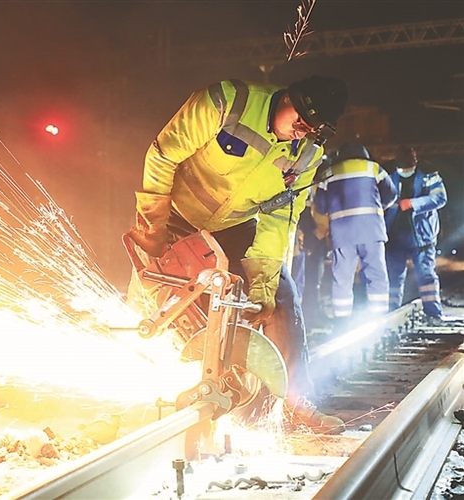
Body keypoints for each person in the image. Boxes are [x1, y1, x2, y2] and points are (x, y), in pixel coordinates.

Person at [127, 75, 349, 433]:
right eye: (301, 123)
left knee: (282, 298)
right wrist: (153, 225)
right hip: (176, 217)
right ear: (287, 99)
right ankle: (137, 396)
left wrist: (262, 289)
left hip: (234, 226)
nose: (302, 134)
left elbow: (279, 219)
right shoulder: (226, 102)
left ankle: (294, 401)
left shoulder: (307, 154)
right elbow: (163, 154)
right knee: (158, 303)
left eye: (313, 130)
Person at [313, 143, 397, 335]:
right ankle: (378, 321)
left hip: (342, 233)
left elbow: (321, 206)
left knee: (342, 278)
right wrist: (378, 205)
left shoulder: (328, 173)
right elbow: (391, 194)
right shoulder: (373, 168)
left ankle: (341, 324)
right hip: (371, 230)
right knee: (376, 275)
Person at [384, 146, 448, 324]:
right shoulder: (389, 174)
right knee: (393, 277)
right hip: (395, 235)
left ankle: (433, 313)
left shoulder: (429, 174)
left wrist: (412, 203)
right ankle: (392, 314)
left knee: (426, 275)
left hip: (421, 235)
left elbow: (440, 198)